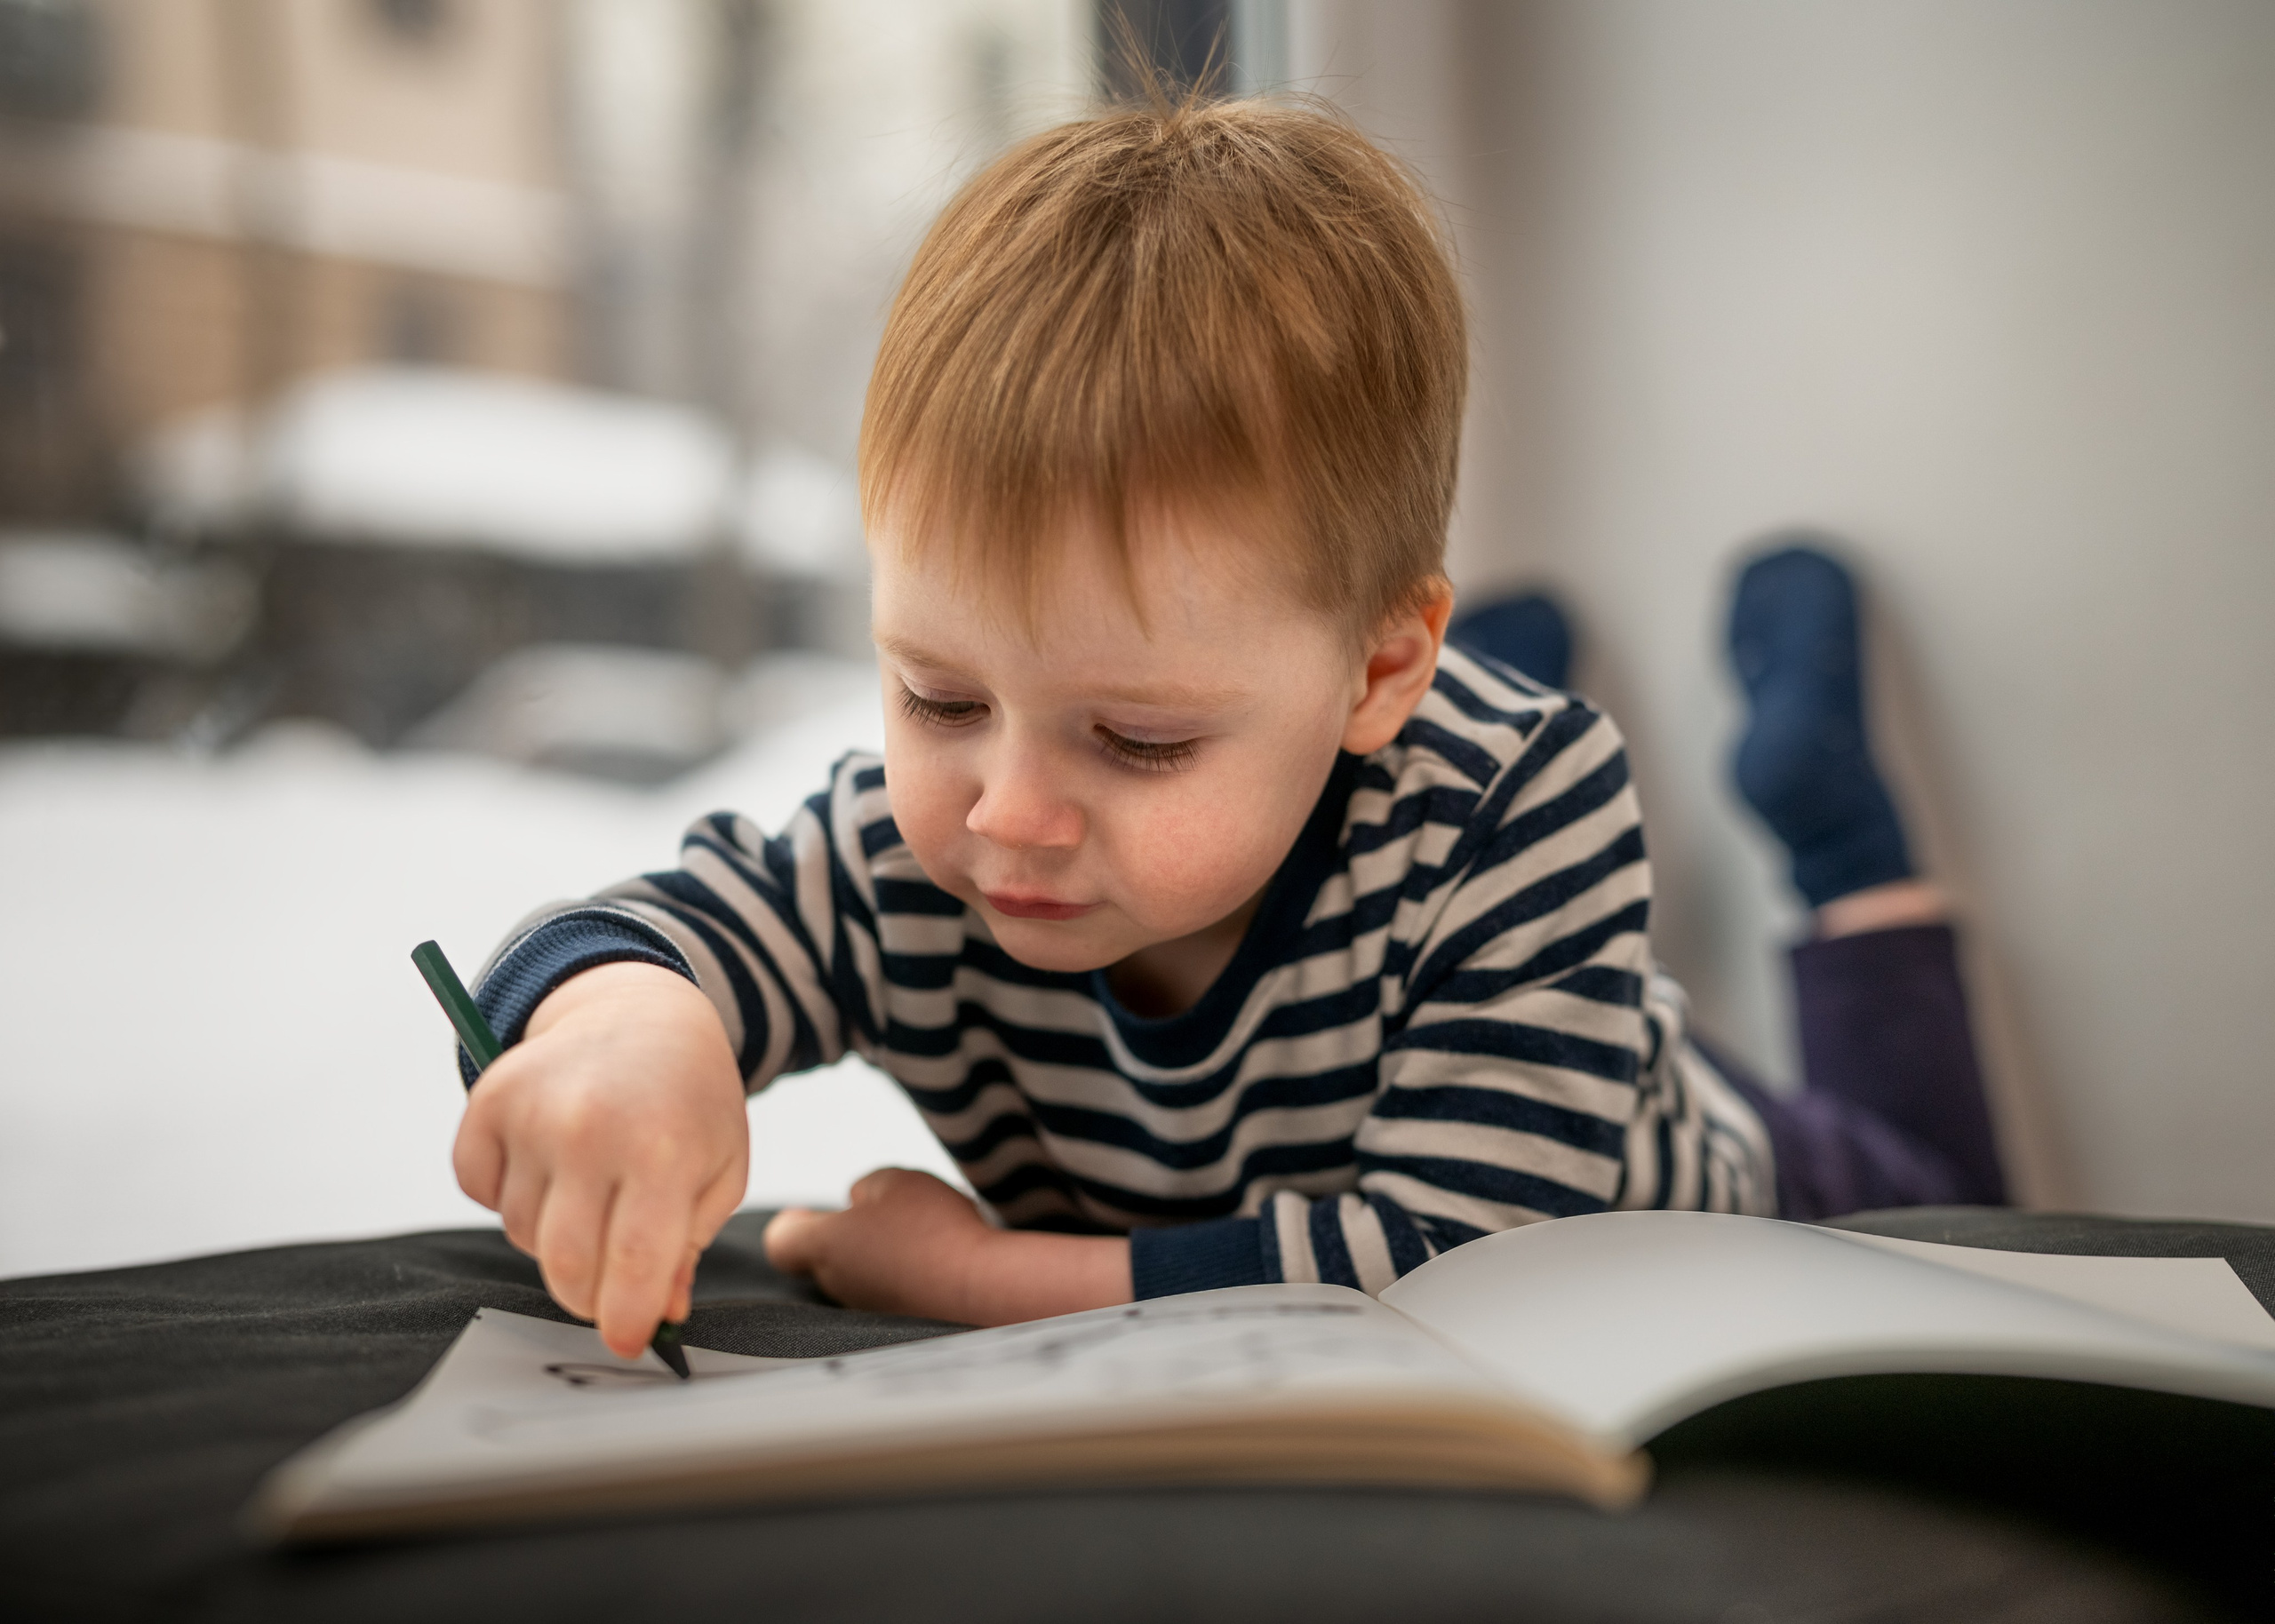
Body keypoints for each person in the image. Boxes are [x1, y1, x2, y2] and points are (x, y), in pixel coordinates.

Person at [449, 92, 2005, 1361]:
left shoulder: (1534, 800)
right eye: (939, 697)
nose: (1007, 813)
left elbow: (1451, 1265)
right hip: (1475, 995)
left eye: (1136, 738)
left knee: (1957, 1201)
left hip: (1730, 1175)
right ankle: (1485, 656)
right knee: (1482, 909)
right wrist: (637, 1026)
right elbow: (657, 926)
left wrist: (968, 1273)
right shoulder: (928, 847)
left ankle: (1842, 843)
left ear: (1382, 674)